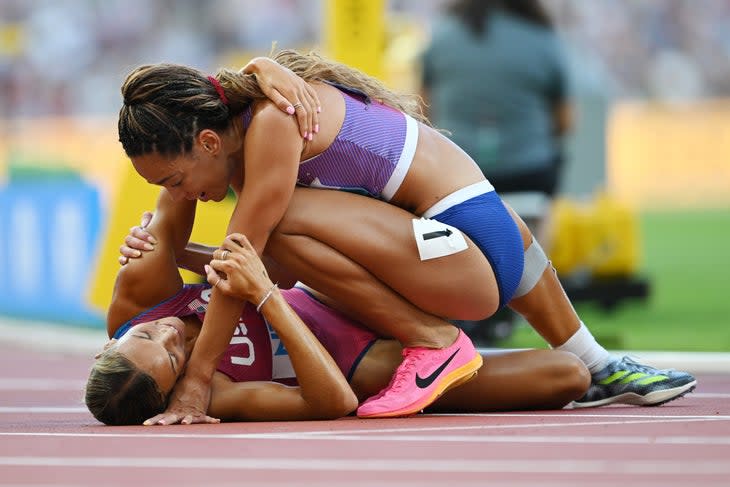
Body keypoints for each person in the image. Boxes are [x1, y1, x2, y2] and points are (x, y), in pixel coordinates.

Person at [117, 49, 696, 423]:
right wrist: (180, 251)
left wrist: (195, 381)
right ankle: (595, 362)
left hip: (463, 248)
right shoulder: (253, 115)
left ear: (210, 143)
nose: (183, 195)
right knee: (266, 240)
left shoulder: (270, 126)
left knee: (274, 229)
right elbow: (278, 272)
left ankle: (433, 344)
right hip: (483, 237)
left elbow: (246, 261)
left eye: (175, 180)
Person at [87, 187, 590, 425]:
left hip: (336, 288)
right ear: (174, 397)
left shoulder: (139, 299)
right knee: (568, 377)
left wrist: (173, 250)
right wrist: (264, 296)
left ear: (114, 339)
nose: (172, 333)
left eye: (149, 336)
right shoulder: (212, 397)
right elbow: (333, 402)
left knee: (281, 230)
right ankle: (435, 349)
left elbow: (180, 188)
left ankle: (434, 327)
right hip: (369, 362)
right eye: (174, 358)